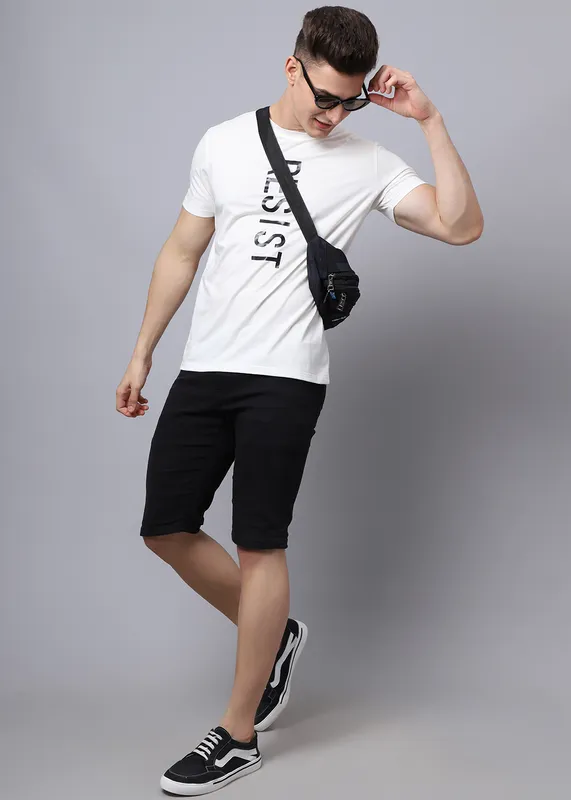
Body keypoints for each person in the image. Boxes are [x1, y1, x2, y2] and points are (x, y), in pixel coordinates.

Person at [115, 5, 483, 796]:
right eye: (324, 98)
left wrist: (430, 121)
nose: (334, 116)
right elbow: (182, 250)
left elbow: (461, 228)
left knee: (260, 544)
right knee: (166, 528)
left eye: (350, 103)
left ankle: (237, 735)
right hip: (205, 368)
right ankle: (276, 637)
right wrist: (144, 349)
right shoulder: (223, 142)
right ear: (293, 67)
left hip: (287, 377)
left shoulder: (370, 162)